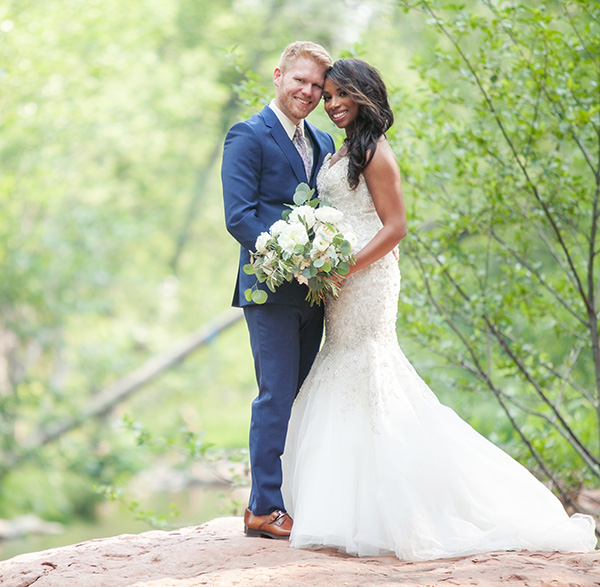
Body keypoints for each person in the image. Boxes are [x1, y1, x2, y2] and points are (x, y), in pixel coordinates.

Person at [280, 58, 597, 560]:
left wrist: (345, 268)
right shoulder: (342, 150)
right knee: (340, 366)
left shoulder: (377, 152)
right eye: (330, 95)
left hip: (369, 277)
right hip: (340, 278)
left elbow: (396, 226)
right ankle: (339, 506)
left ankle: (399, 510)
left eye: (343, 95)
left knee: (369, 369)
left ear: (365, 96)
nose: (333, 104)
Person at [221, 41, 336, 540]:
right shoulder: (248, 135)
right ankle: (264, 507)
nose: (308, 93)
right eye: (300, 81)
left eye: (317, 86)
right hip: (269, 291)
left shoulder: (326, 143)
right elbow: (239, 217)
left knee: (306, 394)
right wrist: (290, 258)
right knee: (275, 396)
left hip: (317, 294)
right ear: (278, 76)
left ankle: (294, 498)